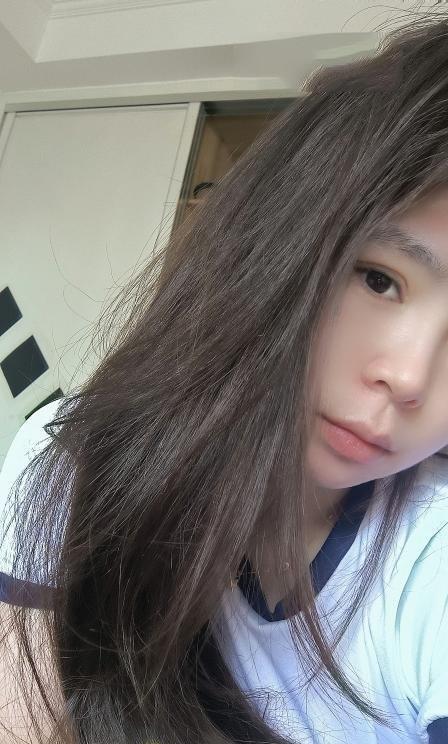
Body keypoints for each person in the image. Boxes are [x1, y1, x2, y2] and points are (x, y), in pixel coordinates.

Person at [1, 11, 448, 744]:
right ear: (272, 250)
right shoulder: (76, 459)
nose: (408, 377)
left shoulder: (428, 557)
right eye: (377, 278)